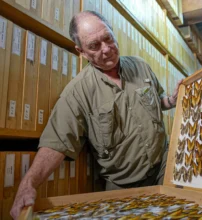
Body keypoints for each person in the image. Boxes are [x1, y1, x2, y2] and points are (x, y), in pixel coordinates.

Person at [10, 11, 182, 219]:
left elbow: (157, 99)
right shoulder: (77, 92)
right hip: (123, 188)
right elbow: (56, 142)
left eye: (108, 38)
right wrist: (28, 184)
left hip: (164, 168)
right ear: (81, 51)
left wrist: (171, 101)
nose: (107, 49)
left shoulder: (141, 66)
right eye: (94, 46)